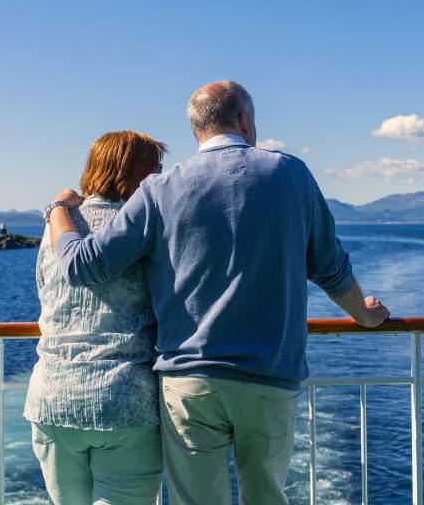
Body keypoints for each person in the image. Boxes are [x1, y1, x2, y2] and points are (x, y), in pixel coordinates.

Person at [46, 81, 389, 505]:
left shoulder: (159, 189)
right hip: (270, 374)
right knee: (266, 496)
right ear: (244, 119)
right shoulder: (291, 174)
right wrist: (364, 314)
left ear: (196, 129)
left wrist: (56, 210)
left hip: (189, 381)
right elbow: (330, 266)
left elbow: (85, 266)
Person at [25, 130, 167, 505]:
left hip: (53, 395)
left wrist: (57, 205)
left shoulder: (57, 225)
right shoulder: (147, 226)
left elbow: (44, 288)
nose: (161, 178)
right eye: (155, 169)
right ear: (136, 173)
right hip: (124, 399)